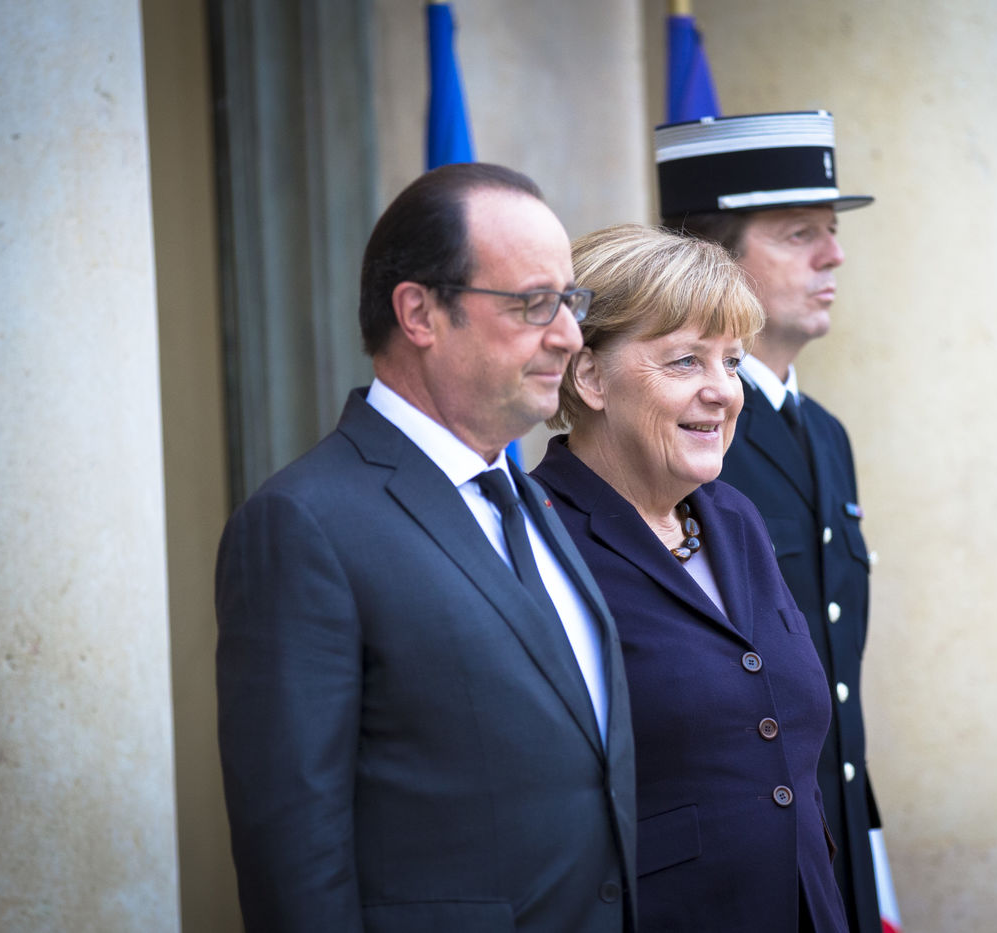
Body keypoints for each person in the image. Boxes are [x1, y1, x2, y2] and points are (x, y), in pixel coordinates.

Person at [214, 163, 637, 932]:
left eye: (570, 301)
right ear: (419, 312)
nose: (570, 336)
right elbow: (293, 859)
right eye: (534, 303)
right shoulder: (303, 524)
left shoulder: (529, 499)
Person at [531, 223, 848, 933]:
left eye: (731, 361)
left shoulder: (735, 518)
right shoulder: (535, 538)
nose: (724, 392)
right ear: (589, 376)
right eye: (685, 361)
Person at [655, 110, 883, 933]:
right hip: (740, 875)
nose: (833, 255)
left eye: (832, 231)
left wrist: (872, 872)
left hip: (835, 863)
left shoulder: (825, 433)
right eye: (799, 233)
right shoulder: (686, 430)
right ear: (714, 259)